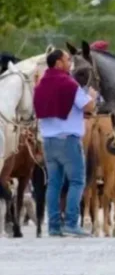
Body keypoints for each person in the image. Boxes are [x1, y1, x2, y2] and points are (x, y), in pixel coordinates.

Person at [33, 49, 98, 237]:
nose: (70, 63)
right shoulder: (69, 83)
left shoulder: (40, 85)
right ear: (59, 63)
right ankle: (71, 223)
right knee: (77, 181)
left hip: (49, 142)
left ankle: (54, 226)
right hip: (68, 141)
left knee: (53, 183)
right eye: (67, 60)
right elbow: (88, 106)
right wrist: (92, 96)